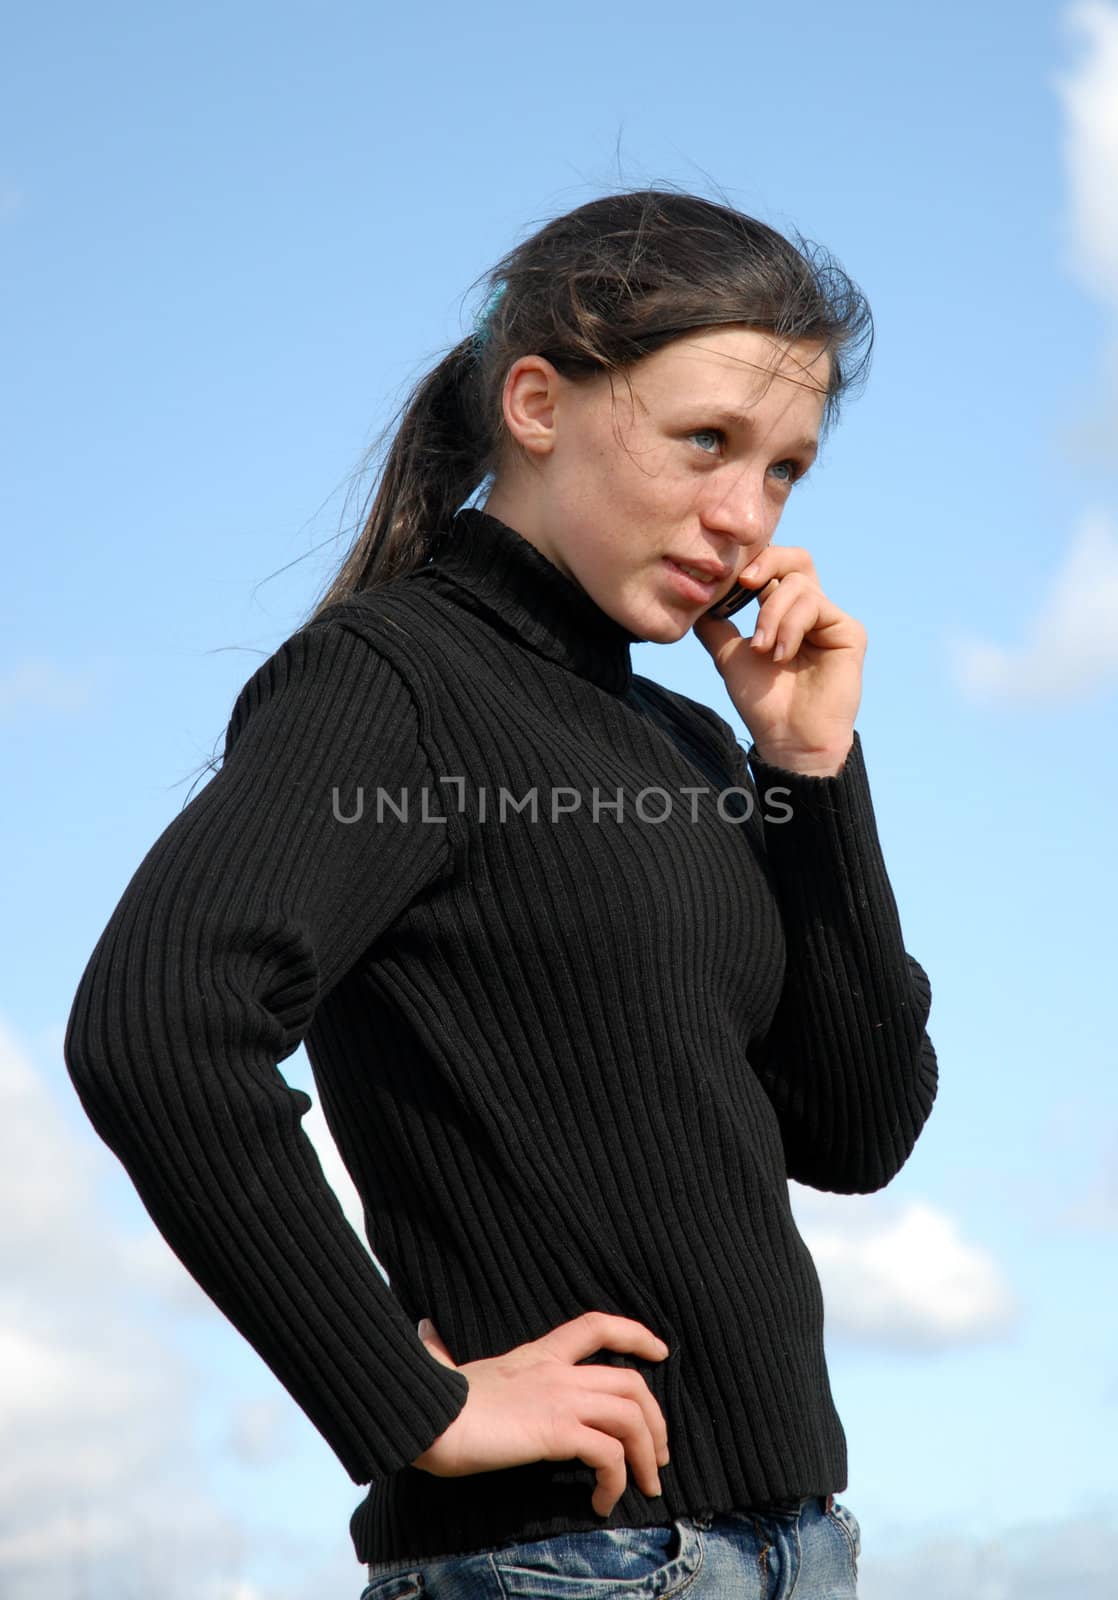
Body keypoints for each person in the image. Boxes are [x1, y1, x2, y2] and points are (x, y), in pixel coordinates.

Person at [64, 186, 938, 1600]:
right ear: (536, 401)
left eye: (782, 470)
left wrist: (810, 770)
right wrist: (414, 1407)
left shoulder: (693, 743)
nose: (741, 514)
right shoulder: (393, 680)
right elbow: (158, 1026)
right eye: (703, 440)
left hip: (793, 1549)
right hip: (564, 1564)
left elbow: (852, 1129)